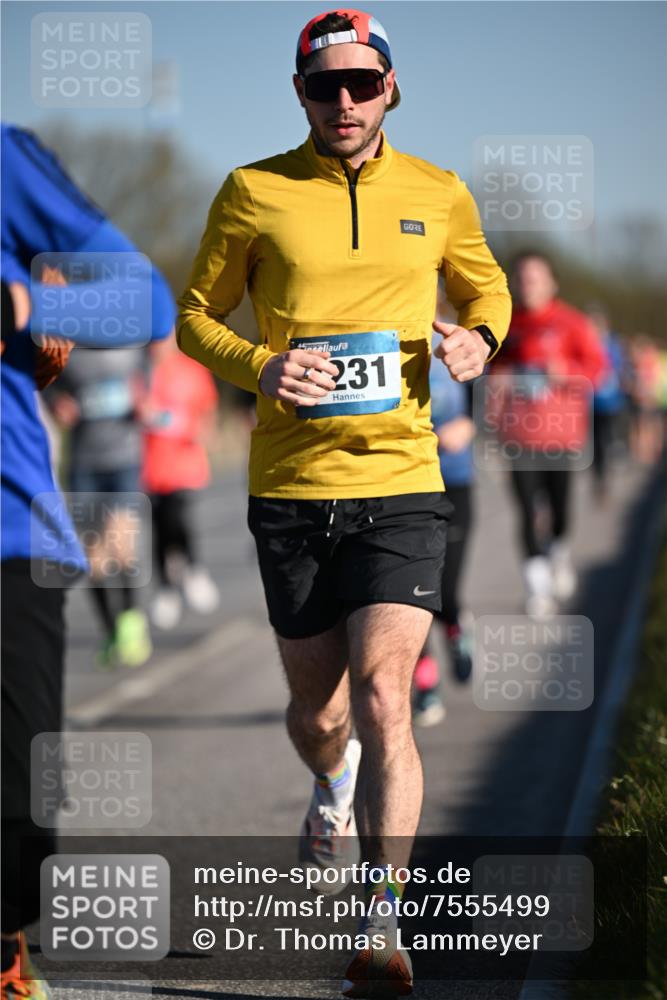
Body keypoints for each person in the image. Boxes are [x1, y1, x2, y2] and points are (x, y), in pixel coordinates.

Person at [176, 10, 511, 996]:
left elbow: (486, 293)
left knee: (382, 697)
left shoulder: (437, 191)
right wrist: (261, 366)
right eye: (325, 85)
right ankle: (328, 780)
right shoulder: (253, 190)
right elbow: (193, 317)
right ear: (300, 94)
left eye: (363, 82)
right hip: (291, 489)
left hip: (402, 483)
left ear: (390, 87)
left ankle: (383, 920)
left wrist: (478, 340)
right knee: (320, 713)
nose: (346, 100)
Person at [1, 123, 174, 999]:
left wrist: (29, 310)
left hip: (8, 531)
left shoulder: (5, 163)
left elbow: (147, 303)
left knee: (18, 799)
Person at [497, 251, 606, 617]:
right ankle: (537, 588)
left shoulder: (572, 323)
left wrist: (567, 372)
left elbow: (598, 372)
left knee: (560, 511)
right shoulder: (506, 325)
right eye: (521, 278)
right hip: (518, 437)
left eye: (535, 278)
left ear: (552, 283)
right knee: (526, 510)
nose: (528, 285)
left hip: (560, 437)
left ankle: (558, 552)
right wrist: (498, 381)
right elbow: (490, 374)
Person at [46, 345, 153, 668]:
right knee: (93, 556)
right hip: (84, 463)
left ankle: (131, 623)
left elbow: (149, 383)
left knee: (121, 543)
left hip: (124, 459)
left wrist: (144, 403)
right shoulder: (66, 352)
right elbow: (47, 386)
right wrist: (57, 404)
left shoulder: (130, 347)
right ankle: (110, 629)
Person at [413, 345, 476, 727]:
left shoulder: (455, 344)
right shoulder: (383, 339)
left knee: (445, 592)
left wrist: (468, 424)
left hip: (453, 481)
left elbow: (488, 398)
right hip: (406, 487)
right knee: (409, 596)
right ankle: (426, 684)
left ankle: (455, 628)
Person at [140, 333, 220, 629]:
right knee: (159, 525)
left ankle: (193, 569)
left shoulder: (191, 369)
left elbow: (207, 408)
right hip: (150, 463)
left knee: (179, 516)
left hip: (184, 461)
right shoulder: (141, 371)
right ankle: (166, 587)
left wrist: (205, 430)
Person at [587, 306, 627, 501]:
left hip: (610, 401)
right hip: (590, 401)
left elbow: (619, 368)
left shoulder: (613, 344)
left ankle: (605, 473)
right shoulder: (587, 342)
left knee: (606, 438)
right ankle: (599, 477)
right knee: (595, 442)